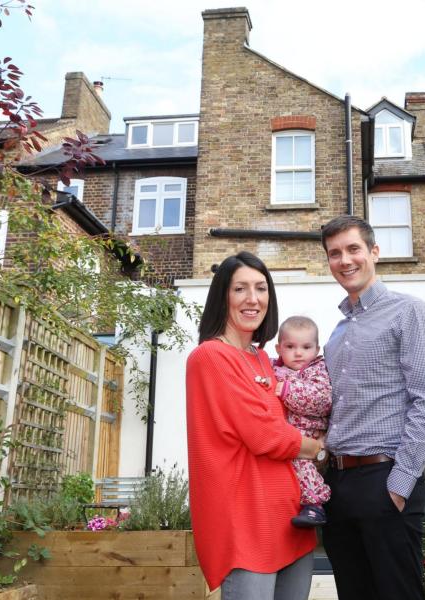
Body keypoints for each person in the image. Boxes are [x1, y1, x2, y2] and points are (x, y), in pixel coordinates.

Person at [185, 251, 326, 600]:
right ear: (222, 297)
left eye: (261, 288)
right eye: (240, 289)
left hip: (291, 519)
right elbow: (265, 435)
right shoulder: (211, 356)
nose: (253, 299)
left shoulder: (264, 358)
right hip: (247, 522)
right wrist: (318, 446)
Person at [319, 215, 425, 600]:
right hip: (338, 485)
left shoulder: (409, 311)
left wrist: (399, 485)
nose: (345, 260)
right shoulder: (336, 335)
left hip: (384, 480)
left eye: (353, 249)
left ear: (374, 252)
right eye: (334, 253)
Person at [272, 315, 333, 528]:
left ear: (316, 350)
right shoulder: (273, 370)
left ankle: (315, 505)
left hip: (309, 432)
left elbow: (323, 400)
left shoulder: (317, 369)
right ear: (279, 348)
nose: (298, 353)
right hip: (286, 434)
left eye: (306, 347)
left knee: (303, 465)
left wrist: (288, 390)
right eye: (291, 346)